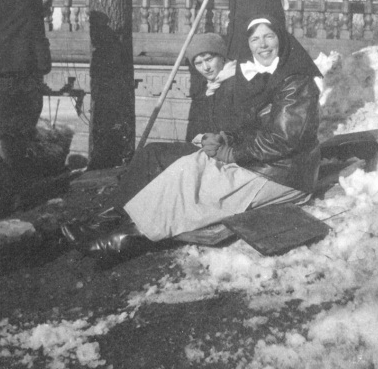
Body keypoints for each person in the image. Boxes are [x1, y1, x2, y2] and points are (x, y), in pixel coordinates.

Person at [61, 14, 322, 260]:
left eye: (269, 37)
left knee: (202, 183)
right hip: (264, 162)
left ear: (282, 39)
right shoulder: (268, 76)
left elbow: (284, 138)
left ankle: (125, 239)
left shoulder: (296, 82)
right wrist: (226, 137)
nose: (262, 45)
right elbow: (253, 127)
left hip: (284, 174)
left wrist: (232, 152)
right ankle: (122, 225)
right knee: (189, 167)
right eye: (255, 39)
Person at [0, 0, 95, 211]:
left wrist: (28, 8)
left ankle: (8, 198)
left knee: (1, 136)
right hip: (29, 69)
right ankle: (22, 197)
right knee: (23, 134)